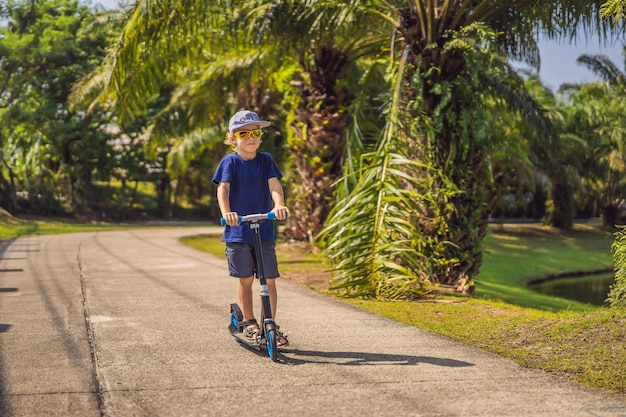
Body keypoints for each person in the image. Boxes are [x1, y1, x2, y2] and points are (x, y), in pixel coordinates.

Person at [212, 109, 290, 346]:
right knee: (246, 278)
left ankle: (270, 325)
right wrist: (228, 214)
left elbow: (274, 184)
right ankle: (250, 322)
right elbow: (222, 188)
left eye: (255, 132)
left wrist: (279, 205)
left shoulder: (265, 160)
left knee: (269, 279)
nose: (250, 137)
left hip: (264, 230)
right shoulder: (230, 161)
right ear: (233, 137)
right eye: (243, 133)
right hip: (238, 231)